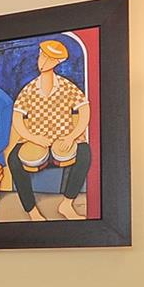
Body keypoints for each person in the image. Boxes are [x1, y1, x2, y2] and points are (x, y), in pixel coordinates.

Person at [9, 39, 90, 221]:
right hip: (36, 139)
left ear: (57, 62)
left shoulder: (67, 87)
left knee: (85, 153)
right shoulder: (29, 89)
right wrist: (34, 138)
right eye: (42, 56)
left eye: (50, 58)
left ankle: (67, 204)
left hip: (63, 138)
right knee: (13, 160)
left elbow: (85, 109)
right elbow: (17, 119)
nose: (43, 61)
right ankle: (32, 211)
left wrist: (72, 136)